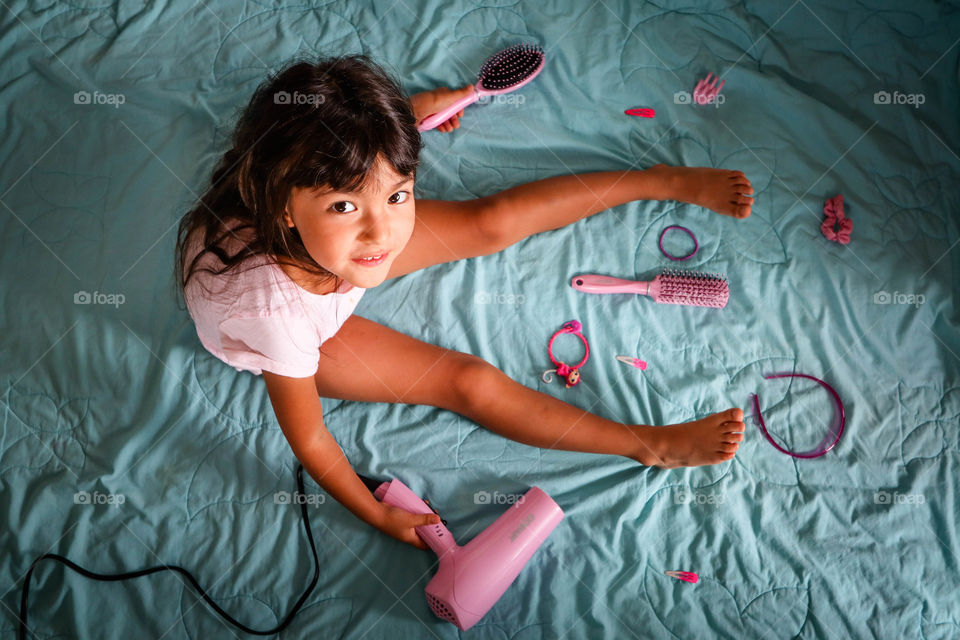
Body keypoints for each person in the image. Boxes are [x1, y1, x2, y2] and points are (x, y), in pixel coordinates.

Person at [174, 54, 752, 550]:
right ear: (284, 207)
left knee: (491, 221)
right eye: (345, 206)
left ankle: (659, 180)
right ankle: (649, 446)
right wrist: (375, 513)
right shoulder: (275, 318)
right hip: (304, 322)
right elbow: (310, 439)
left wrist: (404, 117)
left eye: (399, 193)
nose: (383, 235)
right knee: (467, 381)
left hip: (326, 259)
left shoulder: (350, 229)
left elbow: (367, 181)